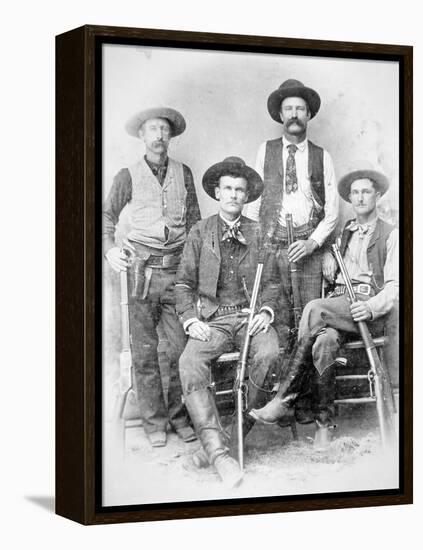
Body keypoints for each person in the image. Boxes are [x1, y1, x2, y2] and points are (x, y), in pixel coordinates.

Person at [249, 163, 399, 444]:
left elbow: (396, 287)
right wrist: (329, 256)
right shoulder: (347, 232)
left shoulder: (392, 235)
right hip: (340, 307)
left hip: (366, 310)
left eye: (366, 192)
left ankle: (285, 398)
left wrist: (370, 307)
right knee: (323, 343)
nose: (360, 198)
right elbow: (336, 266)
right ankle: (324, 425)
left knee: (313, 308)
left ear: (377, 196)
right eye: (354, 193)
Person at [175, 157, 281, 488]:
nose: (234, 194)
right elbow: (182, 284)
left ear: (247, 196)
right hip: (214, 320)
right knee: (189, 362)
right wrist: (191, 320)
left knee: (269, 354)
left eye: (240, 190)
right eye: (228, 189)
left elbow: (273, 284)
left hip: (249, 317)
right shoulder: (200, 231)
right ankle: (221, 455)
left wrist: (265, 312)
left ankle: (225, 442)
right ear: (217, 193)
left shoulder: (259, 231)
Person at [103, 107, 201, 448]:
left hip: (176, 273)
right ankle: (154, 423)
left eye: (164, 129)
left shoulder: (183, 173)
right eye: (152, 130)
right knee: (144, 352)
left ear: (170, 136)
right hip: (140, 273)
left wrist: (192, 269)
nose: (159, 135)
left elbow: (195, 225)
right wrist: (109, 249)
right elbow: (105, 216)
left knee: (179, 349)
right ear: (142, 137)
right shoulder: (126, 175)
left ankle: (179, 418)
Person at [244, 79, 339, 335]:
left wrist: (313, 244)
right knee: (277, 318)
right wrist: (253, 247)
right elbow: (254, 201)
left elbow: (332, 212)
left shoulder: (322, 156)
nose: (294, 114)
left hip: (308, 249)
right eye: (289, 109)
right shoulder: (265, 150)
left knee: (310, 320)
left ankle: (307, 375)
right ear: (280, 114)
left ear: (309, 115)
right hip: (273, 247)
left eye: (300, 109)